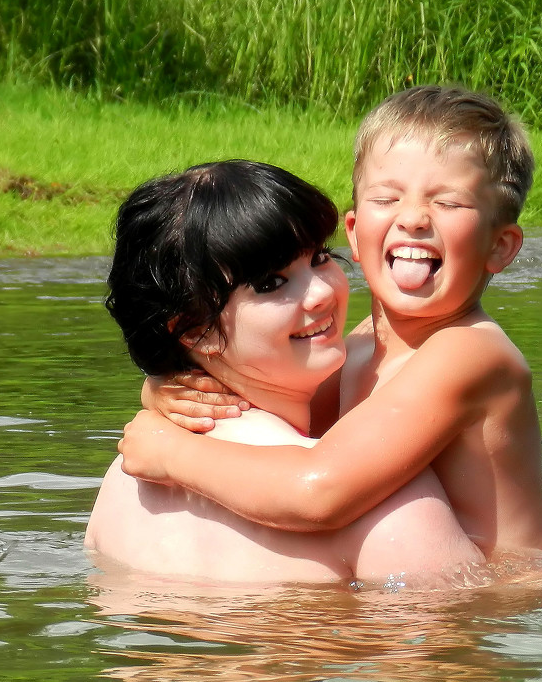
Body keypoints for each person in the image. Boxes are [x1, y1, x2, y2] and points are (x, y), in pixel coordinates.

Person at [119, 85, 542, 559]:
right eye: (387, 198)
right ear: (353, 232)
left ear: (500, 246)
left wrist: (172, 455)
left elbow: (319, 494)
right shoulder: (361, 344)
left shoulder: (470, 354)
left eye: (448, 203)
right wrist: (169, 385)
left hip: (497, 601)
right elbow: (276, 405)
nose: (412, 218)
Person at [85, 160, 484, 585]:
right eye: (271, 283)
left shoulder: (124, 480)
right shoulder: (377, 501)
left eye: (319, 257)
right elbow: (453, 640)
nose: (322, 293)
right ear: (196, 331)